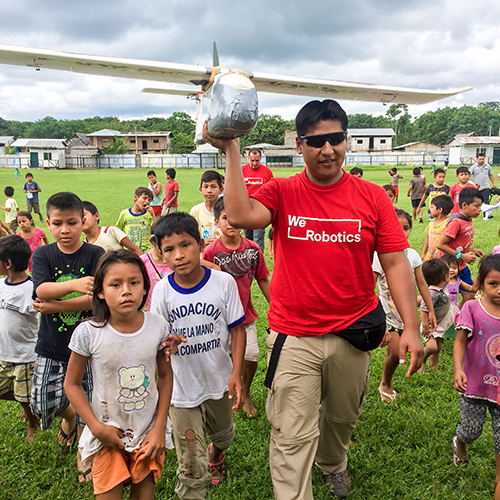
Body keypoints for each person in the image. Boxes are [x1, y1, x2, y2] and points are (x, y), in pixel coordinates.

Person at [203, 99, 423, 500]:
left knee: (342, 417)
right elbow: (239, 214)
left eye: (336, 139)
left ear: (346, 141)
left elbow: (394, 262)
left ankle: (333, 463)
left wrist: (410, 326)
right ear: (300, 146)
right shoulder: (282, 191)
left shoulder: (372, 197)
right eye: (317, 141)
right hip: (295, 334)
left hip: (353, 331)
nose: (328, 149)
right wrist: (231, 147)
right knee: (291, 430)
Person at [150, 213, 246, 499]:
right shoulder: (162, 292)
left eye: (185, 245)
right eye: (169, 249)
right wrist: (169, 343)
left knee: (224, 435)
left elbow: (237, 331)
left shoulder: (223, 283)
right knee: (191, 462)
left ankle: (216, 452)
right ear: (160, 253)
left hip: (218, 380)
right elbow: (157, 342)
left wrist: (236, 373)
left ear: (201, 244)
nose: (179, 255)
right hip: (181, 388)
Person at [64, 250, 174, 499]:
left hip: (147, 432)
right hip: (106, 433)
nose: (126, 291)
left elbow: (165, 377)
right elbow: (71, 384)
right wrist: (96, 428)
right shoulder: (88, 333)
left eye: (134, 283)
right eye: (115, 284)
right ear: (100, 292)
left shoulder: (158, 326)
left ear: (145, 288)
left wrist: (159, 427)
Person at [30, 192, 105, 484]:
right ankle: (69, 416)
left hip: (88, 347)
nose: (65, 230)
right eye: (58, 223)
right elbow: (41, 290)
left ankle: (84, 455)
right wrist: (73, 285)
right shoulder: (43, 254)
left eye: (72, 223)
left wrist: (53, 306)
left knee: (91, 404)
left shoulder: (95, 255)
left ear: (82, 221)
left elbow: (96, 300)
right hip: (50, 345)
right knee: (41, 402)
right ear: (48, 223)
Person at [203, 197, 271, 418]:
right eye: (225, 218)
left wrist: (276, 306)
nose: (231, 223)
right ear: (216, 222)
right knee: (221, 360)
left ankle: (247, 392)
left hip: (244, 316)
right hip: (217, 320)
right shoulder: (210, 252)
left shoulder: (253, 249)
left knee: (251, 356)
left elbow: (262, 279)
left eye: (235, 218)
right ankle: (224, 395)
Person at [373, 209, 436, 402]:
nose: (402, 232)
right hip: (387, 314)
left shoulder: (413, 255)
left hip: (407, 314)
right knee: (393, 351)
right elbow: (369, 288)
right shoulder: (378, 256)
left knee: (404, 350)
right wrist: (377, 321)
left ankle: (388, 381)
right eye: (396, 227)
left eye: (406, 228)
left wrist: (430, 309)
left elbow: (422, 284)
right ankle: (385, 383)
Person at [453, 254, 500, 500]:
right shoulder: (472, 308)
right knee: (472, 431)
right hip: (475, 386)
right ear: (481, 283)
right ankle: (460, 442)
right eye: (494, 284)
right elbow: (460, 341)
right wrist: (458, 369)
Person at [0, 235, 40, 441]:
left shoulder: (32, 288)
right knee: (19, 394)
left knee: (26, 398)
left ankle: (33, 425)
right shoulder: (1, 285)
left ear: (8, 263)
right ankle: (23, 397)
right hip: (2, 354)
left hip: (24, 356)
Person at [437, 187, 484, 303]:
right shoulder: (456, 222)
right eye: (476, 206)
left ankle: (459, 318)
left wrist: (473, 249)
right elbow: (440, 244)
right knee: (445, 299)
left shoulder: (468, 219)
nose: (479, 210)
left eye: (480, 206)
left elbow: (462, 241)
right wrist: (462, 256)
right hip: (449, 268)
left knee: (470, 295)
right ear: (464, 205)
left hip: (461, 267)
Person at [418, 258, 455, 374]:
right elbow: (423, 309)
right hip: (429, 327)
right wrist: (425, 326)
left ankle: (434, 368)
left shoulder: (443, 289)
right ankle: (421, 361)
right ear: (445, 277)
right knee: (431, 347)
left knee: (438, 348)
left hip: (439, 325)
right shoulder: (431, 293)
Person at [241, 148, 274, 251]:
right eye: (252, 160)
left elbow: (272, 189)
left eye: (257, 161)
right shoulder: (242, 170)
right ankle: (249, 260)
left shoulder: (267, 172)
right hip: (245, 209)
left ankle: (258, 262)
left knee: (258, 237)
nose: (254, 163)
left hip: (260, 209)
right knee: (248, 237)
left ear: (260, 159)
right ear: (248, 158)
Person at [115, 187, 155, 253]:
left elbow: (156, 230)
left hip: (146, 252)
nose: (147, 201)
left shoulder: (149, 215)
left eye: (149, 200)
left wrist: (153, 216)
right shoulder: (125, 213)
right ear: (135, 197)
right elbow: (118, 230)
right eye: (144, 198)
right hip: (129, 251)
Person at [189, 170, 223, 245]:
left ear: (221, 190)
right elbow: (189, 237)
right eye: (205, 187)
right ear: (201, 190)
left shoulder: (227, 211)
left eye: (213, 187)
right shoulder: (195, 211)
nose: (209, 190)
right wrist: (200, 242)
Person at [440, 254, 474, 321]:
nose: (451, 270)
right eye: (448, 268)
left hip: (454, 309)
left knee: (455, 325)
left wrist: (478, 288)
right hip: (442, 309)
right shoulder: (440, 281)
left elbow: (469, 288)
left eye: (454, 268)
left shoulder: (458, 280)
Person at [421, 195, 454, 261]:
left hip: (442, 259)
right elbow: (428, 238)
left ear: (440, 210)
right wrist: (423, 253)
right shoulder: (431, 222)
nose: (430, 210)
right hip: (429, 257)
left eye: (432, 207)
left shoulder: (448, 224)